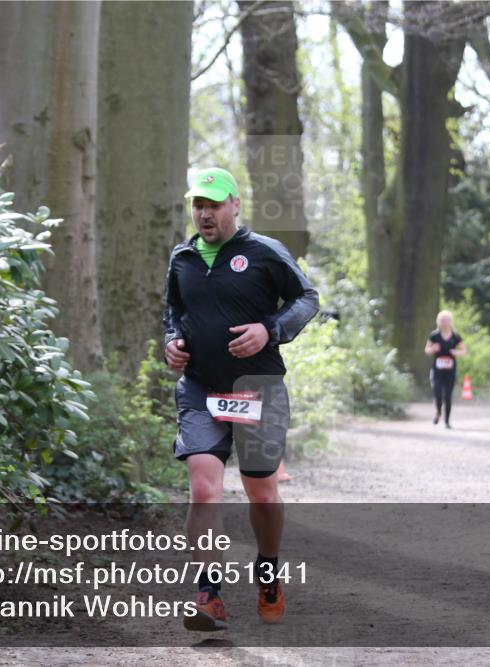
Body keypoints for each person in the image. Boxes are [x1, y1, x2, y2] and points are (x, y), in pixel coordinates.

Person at [163, 167, 319, 632]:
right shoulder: (183, 257)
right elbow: (174, 309)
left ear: (235, 205)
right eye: (198, 204)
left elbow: (307, 298)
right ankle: (209, 596)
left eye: (213, 204)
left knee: (262, 491)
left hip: (257, 387)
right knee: (204, 488)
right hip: (201, 387)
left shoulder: (264, 252)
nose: (204, 213)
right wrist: (172, 340)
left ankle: (268, 570)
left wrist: (269, 330)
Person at [424, 310, 467, 428]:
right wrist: (433, 349)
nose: (445, 323)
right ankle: (438, 412)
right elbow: (427, 350)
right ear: (439, 321)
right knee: (437, 392)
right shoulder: (434, 335)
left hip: (450, 370)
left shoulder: (455, 336)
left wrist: (456, 352)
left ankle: (447, 421)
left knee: (448, 395)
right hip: (437, 369)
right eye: (443, 320)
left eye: (447, 320)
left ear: (451, 322)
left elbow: (464, 351)